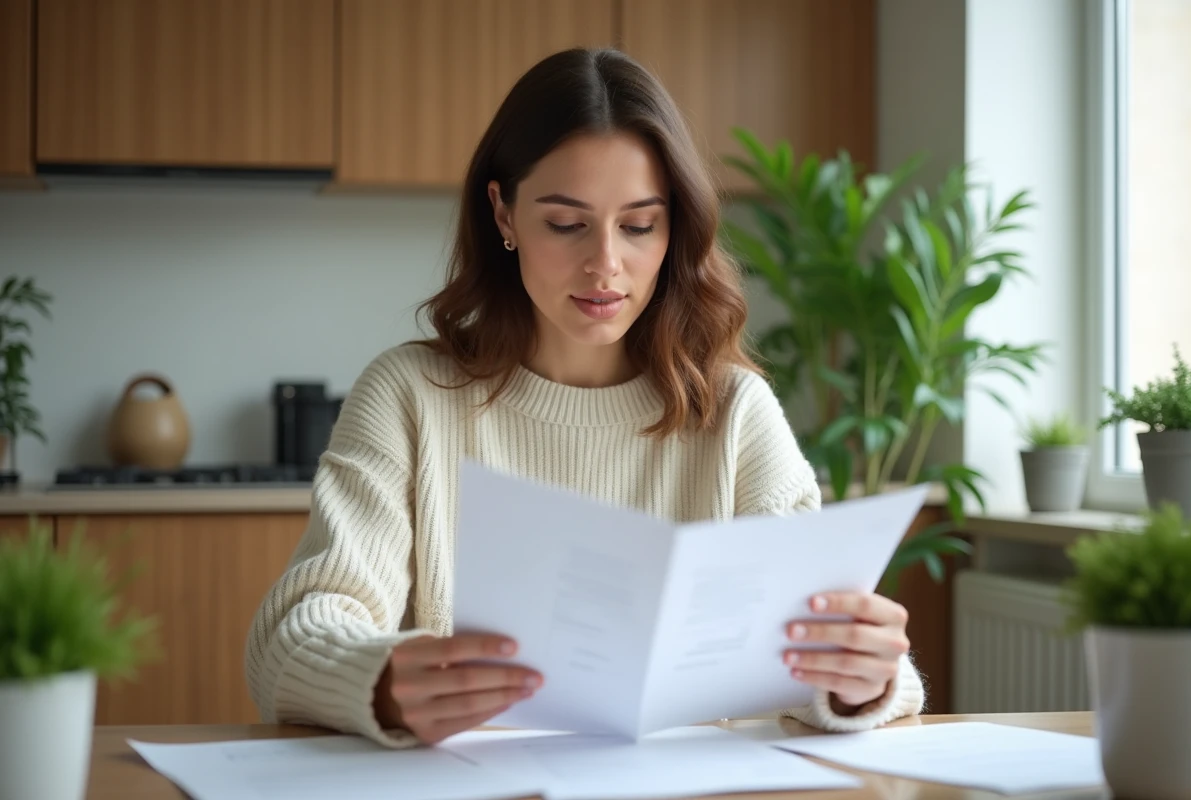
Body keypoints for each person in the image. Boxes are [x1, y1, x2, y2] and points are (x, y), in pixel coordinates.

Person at [245, 46, 925, 749]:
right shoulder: (408, 396)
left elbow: (809, 654)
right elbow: (290, 638)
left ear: (675, 229)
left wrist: (866, 677)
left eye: (639, 226)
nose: (605, 263)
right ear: (503, 214)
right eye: (566, 224)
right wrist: (380, 680)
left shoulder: (735, 414)